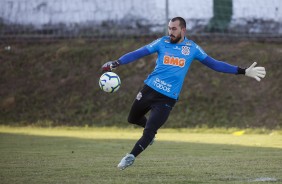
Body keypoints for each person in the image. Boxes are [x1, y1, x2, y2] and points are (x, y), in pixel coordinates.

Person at [101, 17, 266, 170]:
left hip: (167, 98)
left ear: (183, 30)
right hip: (149, 89)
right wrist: (117, 62)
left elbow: (215, 64)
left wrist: (243, 71)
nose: (170, 32)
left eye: (174, 29)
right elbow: (139, 52)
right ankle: (148, 137)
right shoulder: (162, 42)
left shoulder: (192, 48)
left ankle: (131, 156)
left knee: (150, 130)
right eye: (169, 29)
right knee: (132, 118)